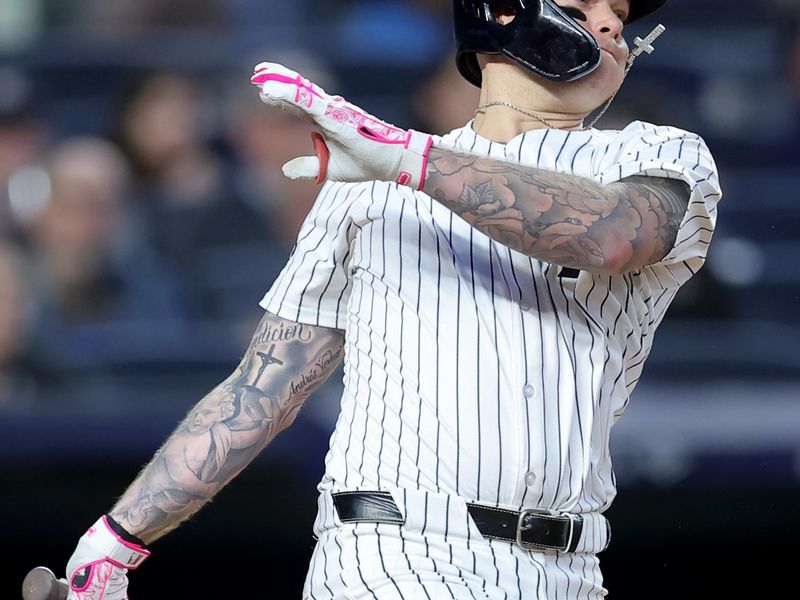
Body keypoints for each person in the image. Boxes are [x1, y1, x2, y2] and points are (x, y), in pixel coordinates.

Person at [44, 1, 723, 598]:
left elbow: (611, 234)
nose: (610, 24)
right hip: (388, 554)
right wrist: (117, 535)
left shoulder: (656, 154)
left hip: (568, 567)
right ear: (505, 13)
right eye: (583, 5)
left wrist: (405, 159)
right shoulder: (368, 180)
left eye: (621, 14)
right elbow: (261, 390)